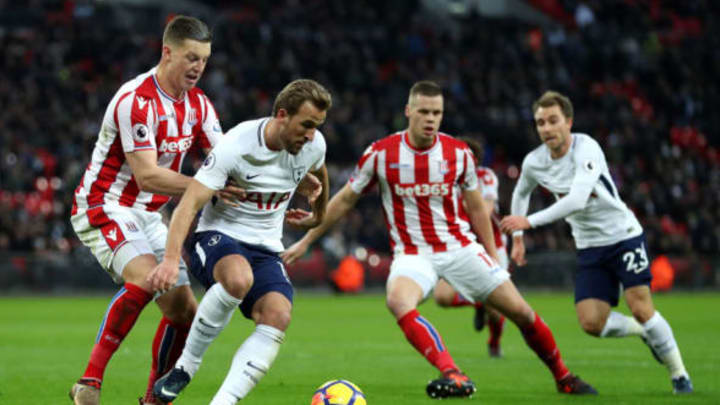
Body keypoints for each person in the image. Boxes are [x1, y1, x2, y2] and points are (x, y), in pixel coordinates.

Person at [283, 81, 596, 398]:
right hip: (413, 254)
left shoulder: (459, 154)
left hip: (459, 247)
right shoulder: (380, 154)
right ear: (409, 111)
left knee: (523, 313)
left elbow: (476, 208)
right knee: (398, 300)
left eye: (437, 113)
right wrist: (307, 240)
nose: (431, 119)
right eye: (424, 112)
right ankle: (452, 373)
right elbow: (346, 200)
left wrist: (494, 256)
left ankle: (564, 377)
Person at [68, 15, 244, 405]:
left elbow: (228, 158)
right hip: (105, 204)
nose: (198, 67)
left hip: (149, 214)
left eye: (204, 59)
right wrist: (206, 186)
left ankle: (152, 400)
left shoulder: (198, 105)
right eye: (191, 57)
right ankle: (89, 382)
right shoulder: (136, 101)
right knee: (149, 278)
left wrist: (289, 177)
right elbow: (147, 175)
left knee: (183, 310)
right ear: (167, 53)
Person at [148, 79, 332, 405]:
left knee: (278, 315)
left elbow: (320, 170)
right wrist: (169, 261)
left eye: (316, 127)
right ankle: (185, 367)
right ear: (281, 115)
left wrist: (318, 215)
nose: (310, 134)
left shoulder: (312, 145)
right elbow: (189, 204)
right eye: (305, 125)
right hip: (217, 237)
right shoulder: (236, 145)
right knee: (238, 278)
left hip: (266, 247)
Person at [500, 90, 693, 394]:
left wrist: (529, 222)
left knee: (641, 306)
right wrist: (519, 238)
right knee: (591, 323)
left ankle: (679, 375)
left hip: (623, 236)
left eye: (553, 121)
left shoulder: (586, 148)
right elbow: (521, 193)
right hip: (589, 247)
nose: (546, 128)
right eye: (540, 123)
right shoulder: (534, 162)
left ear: (569, 123)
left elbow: (577, 200)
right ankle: (642, 331)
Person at [433, 136, 509, 358]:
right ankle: (478, 305)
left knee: (496, 310)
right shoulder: (444, 180)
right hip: (459, 245)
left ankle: (494, 342)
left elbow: (483, 212)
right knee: (442, 297)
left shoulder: (486, 177)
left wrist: (459, 207)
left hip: (490, 245)